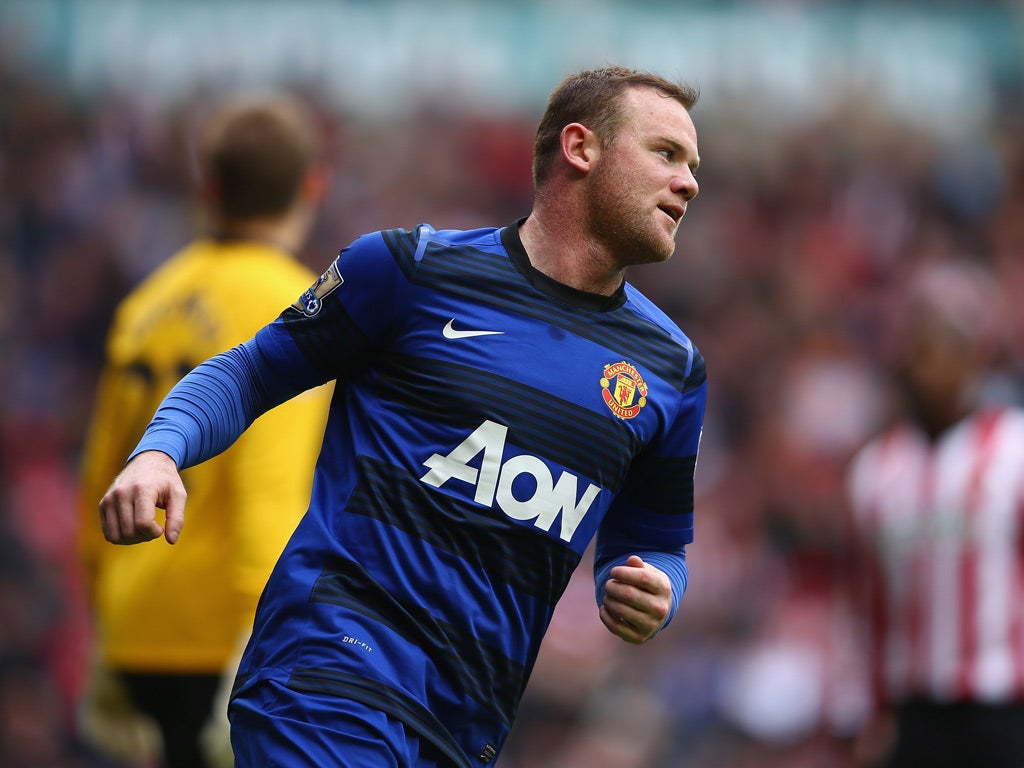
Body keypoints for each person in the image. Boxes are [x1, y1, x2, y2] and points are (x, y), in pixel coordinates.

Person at [97, 65, 707, 767]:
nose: (688, 182)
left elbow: (655, 541)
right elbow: (253, 370)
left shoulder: (670, 369)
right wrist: (160, 450)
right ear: (580, 148)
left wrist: (653, 588)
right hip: (329, 669)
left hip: (465, 716)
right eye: (666, 153)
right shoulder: (410, 272)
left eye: (693, 165)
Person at [78, 93, 333, 768]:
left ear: (209, 188)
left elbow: (103, 473)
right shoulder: (299, 306)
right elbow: (269, 486)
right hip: (225, 639)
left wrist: (104, 629)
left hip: (137, 626)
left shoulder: (148, 301)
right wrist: (263, 638)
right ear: (312, 186)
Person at [846, 259, 1024, 768]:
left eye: (934, 348)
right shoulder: (876, 471)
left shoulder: (1014, 450)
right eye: (913, 348)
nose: (918, 365)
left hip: (1004, 703)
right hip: (916, 709)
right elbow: (867, 606)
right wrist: (867, 709)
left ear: (970, 358)